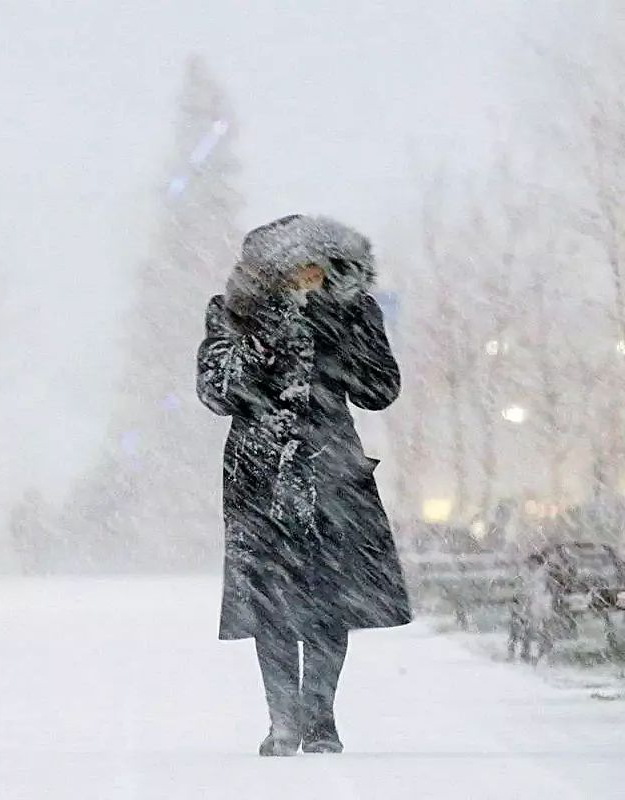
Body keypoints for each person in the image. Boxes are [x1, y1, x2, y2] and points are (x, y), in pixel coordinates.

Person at [196, 214, 411, 757]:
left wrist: (340, 328)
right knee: (270, 600)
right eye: (294, 267)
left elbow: (380, 390)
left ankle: (321, 718)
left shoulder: (353, 311)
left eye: (317, 266)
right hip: (258, 473)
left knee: (327, 598)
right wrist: (268, 335)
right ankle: (282, 721)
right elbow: (216, 391)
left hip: (333, 471)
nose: (306, 275)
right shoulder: (233, 313)